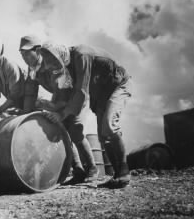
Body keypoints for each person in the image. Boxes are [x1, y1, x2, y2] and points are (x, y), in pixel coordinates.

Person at [38, 44, 132, 189]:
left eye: (54, 62)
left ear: (59, 55)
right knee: (102, 136)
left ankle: (124, 173)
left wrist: (62, 114)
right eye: (50, 64)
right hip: (100, 95)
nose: (52, 66)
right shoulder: (67, 67)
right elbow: (69, 92)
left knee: (109, 125)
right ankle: (117, 176)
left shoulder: (82, 56)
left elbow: (81, 91)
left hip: (117, 85)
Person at [19, 36, 99, 184]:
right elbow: (30, 93)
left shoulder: (52, 61)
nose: (24, 57)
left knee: (74, 128)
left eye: (26, 53)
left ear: (37, 51)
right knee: (60, 130)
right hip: (59, 98)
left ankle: (92, 168)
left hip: (74, 96)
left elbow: (65, 89)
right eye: (21, 54)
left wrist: (57, 110)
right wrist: (25, 115)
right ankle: (78, 170)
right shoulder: (33, 70)